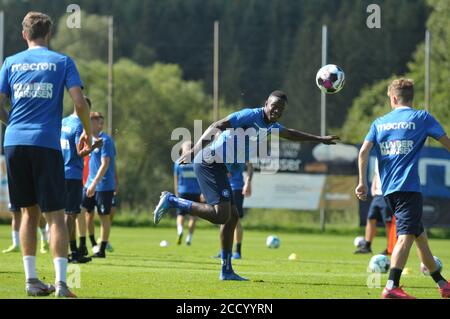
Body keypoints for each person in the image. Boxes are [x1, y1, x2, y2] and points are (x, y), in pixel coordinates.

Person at [154, 90, 339, 280]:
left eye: (281, 109)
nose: (277, 110)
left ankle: (226, 271)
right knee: (220, 216)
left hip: (219, 166)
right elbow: (217, 125)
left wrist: (319, 139)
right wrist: (194, 150)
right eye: (274, 106)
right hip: (209, 162)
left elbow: (290, 134)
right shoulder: (250, 115)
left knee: (232, 218)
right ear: (266, 103)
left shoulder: (271, 125)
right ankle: (172, 201)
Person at [0, 12, 92, 297]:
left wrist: (12, 123)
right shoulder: (62, 61)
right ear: (48, 34)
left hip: (14, 143)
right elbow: (78, 102)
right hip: (46, 143)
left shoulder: (10, 62)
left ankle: (32, 281)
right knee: (55, 215)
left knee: (28, 213)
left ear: (24, 34)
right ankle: (62, 284)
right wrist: (88, 131)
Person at [355, 78, 450, 299]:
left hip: (388, 191)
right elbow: (447, 143)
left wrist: (361, 182)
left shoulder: (380, 122)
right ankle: (391, 286)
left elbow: (363, 152)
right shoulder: (422, 118)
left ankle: (443, 284)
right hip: (408, 189)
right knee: (405, 237)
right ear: (410, 97)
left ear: (394, 98)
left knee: (420, 238)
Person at [61, 96, 102, 263]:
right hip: (72, 174)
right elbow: (80, 152)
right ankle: (63, 253)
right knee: (70, 215)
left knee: (67, 213)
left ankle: (74, 252)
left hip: (59, 171)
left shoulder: (63, 122)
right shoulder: (80, 126)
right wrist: (94, 146)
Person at [82, 112, 116, 258]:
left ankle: (101, 249)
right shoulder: (88, 139)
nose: (100, 125)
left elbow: (105, 164)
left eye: (101, 122)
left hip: (103, 186)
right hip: (89, 184)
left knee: (104, 216)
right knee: (85, 215)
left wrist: (95, 183)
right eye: (96, 122)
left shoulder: (106, 140)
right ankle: (92, 244)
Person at [354, 159, 393, 255]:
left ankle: (391, 248)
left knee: (389, 222)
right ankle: (367, 246)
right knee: (371, 218)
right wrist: (373, 187)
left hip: (387, 193)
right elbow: (376, 174)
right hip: (377, 195)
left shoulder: (392, 154)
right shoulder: (378, 157)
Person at [174, 141, 202, 246]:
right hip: (196, 193)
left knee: (180, 214)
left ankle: (180, 230)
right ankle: (189, 238)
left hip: (182, 191)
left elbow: (176, 179)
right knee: (193, 217)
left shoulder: (178, 163)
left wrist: (176, 192)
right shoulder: (197, 162)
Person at [227, 162, 252, 259]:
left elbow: (250, 166)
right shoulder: (222, 149)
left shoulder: (242, 151)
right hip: (224, 188)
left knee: (235, 220)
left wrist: (248, 183)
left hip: (236, 189)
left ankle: (237, 251)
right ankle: (225, 250)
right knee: (223, 220)